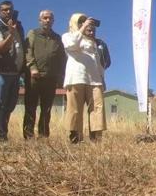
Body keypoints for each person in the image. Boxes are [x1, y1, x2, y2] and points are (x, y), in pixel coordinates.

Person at [62, 13, 106, 143]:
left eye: (85, 21)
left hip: (94, 80)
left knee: (97, 108)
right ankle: (75, 137)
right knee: (75, 109)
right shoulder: (68, 36)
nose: (84, 24)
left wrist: (102, 77)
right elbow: (71, 45)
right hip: (76, 78)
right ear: (74, 23)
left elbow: (97, 61)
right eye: (80, 22)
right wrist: (82, 29)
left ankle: (96, 138)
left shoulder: (92, 41)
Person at [23, 9, 66, 139]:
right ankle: (28, 136)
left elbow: (61, 58)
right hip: (34, 77)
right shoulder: (33, 33)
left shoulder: (57, 38)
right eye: (45, 18)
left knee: (46, 109)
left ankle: (43, 136)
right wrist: (32, 67)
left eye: (50, 18)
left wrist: (60, 75)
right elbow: (28, 51)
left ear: (53, 21)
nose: (48, 20)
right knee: (30, 107)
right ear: (40, 20)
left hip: (50, 78)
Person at [0, 1, 25, 141]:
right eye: (4, 10)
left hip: (16, 73)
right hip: (1, 73)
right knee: (0, 104)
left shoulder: (18, 26)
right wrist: (11, 33)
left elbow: (22, 47)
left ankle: (3, 134)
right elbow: (1, 48)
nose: (8, 12)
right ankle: (0, 136)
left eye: (10, 10)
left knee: (10, 105)